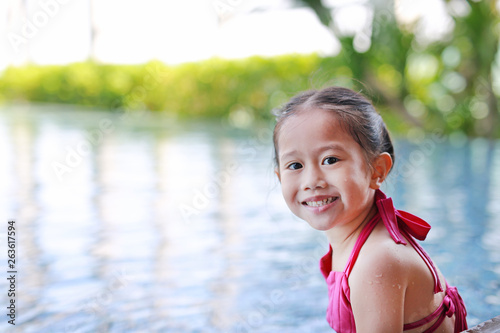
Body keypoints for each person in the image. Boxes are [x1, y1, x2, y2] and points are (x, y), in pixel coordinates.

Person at [272, 86, 467, 333]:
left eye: (330, 160)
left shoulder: (376, 261)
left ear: (377, 170)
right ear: (279, 177)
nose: (312, 180)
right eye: (295, 165)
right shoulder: (358, 240)